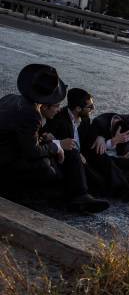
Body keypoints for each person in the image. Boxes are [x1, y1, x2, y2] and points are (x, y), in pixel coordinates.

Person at [0, 64, 108, 213]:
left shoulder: (12, 98)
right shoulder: (33, 115)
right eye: (57, 106)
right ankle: (59, 196)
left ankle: (80, 196)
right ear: (44, 106)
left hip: (12, 151)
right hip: (6, 162)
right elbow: (32, 151)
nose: (59, 110)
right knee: (48, 165)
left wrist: (50, 141)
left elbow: (20, 136)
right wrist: (56, 145)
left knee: (69, 151)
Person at [89, 112, 129, 200]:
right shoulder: (99, 123)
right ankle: (125, 189)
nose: (126, 140)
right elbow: (93, 150)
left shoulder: (128, 120)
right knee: (107, 162)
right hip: (106, 160)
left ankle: (114, 180)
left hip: (120, 160)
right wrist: (113, 141)